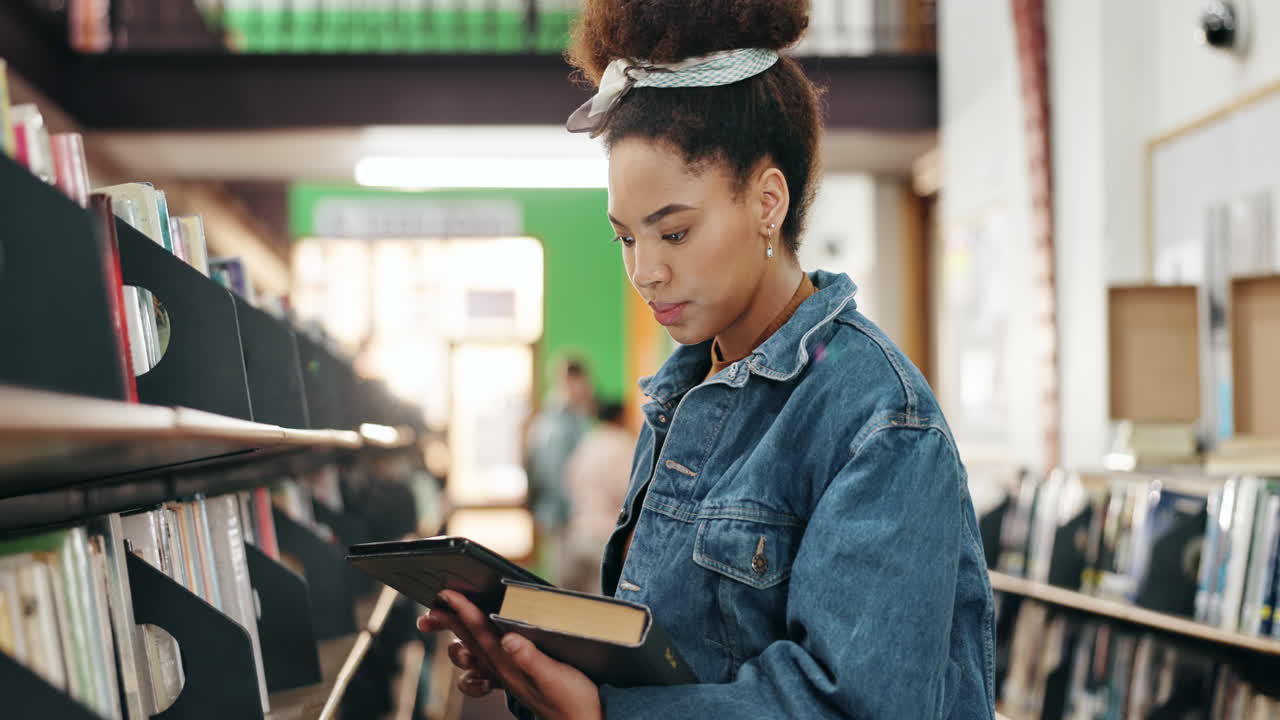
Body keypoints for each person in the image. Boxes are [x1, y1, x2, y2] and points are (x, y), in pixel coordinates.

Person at [418, 1, 997, 718]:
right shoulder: (681, 395)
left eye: (675, 233)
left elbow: (856, 708)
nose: (645, 272)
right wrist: (536, 666)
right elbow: (670, 657)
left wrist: (605, 714)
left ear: (767, 202)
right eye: (626, 238)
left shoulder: (880, 422)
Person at [523, 355, 596, 581]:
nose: (588, 389)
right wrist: (572, 510)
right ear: (570, 381)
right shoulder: (558, 423)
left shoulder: (569, 418)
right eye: (583, 382)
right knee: (567, 586)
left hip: (567, 516)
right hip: (565, 517)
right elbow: (554, 474)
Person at [561, 401, 636, 594]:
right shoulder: (624, 445)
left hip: (578, 532)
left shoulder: (587, 442)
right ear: (621, 417)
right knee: (600, 604)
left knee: (573, 603)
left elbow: (569, 481)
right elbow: (627, 493)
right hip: (605, 535)